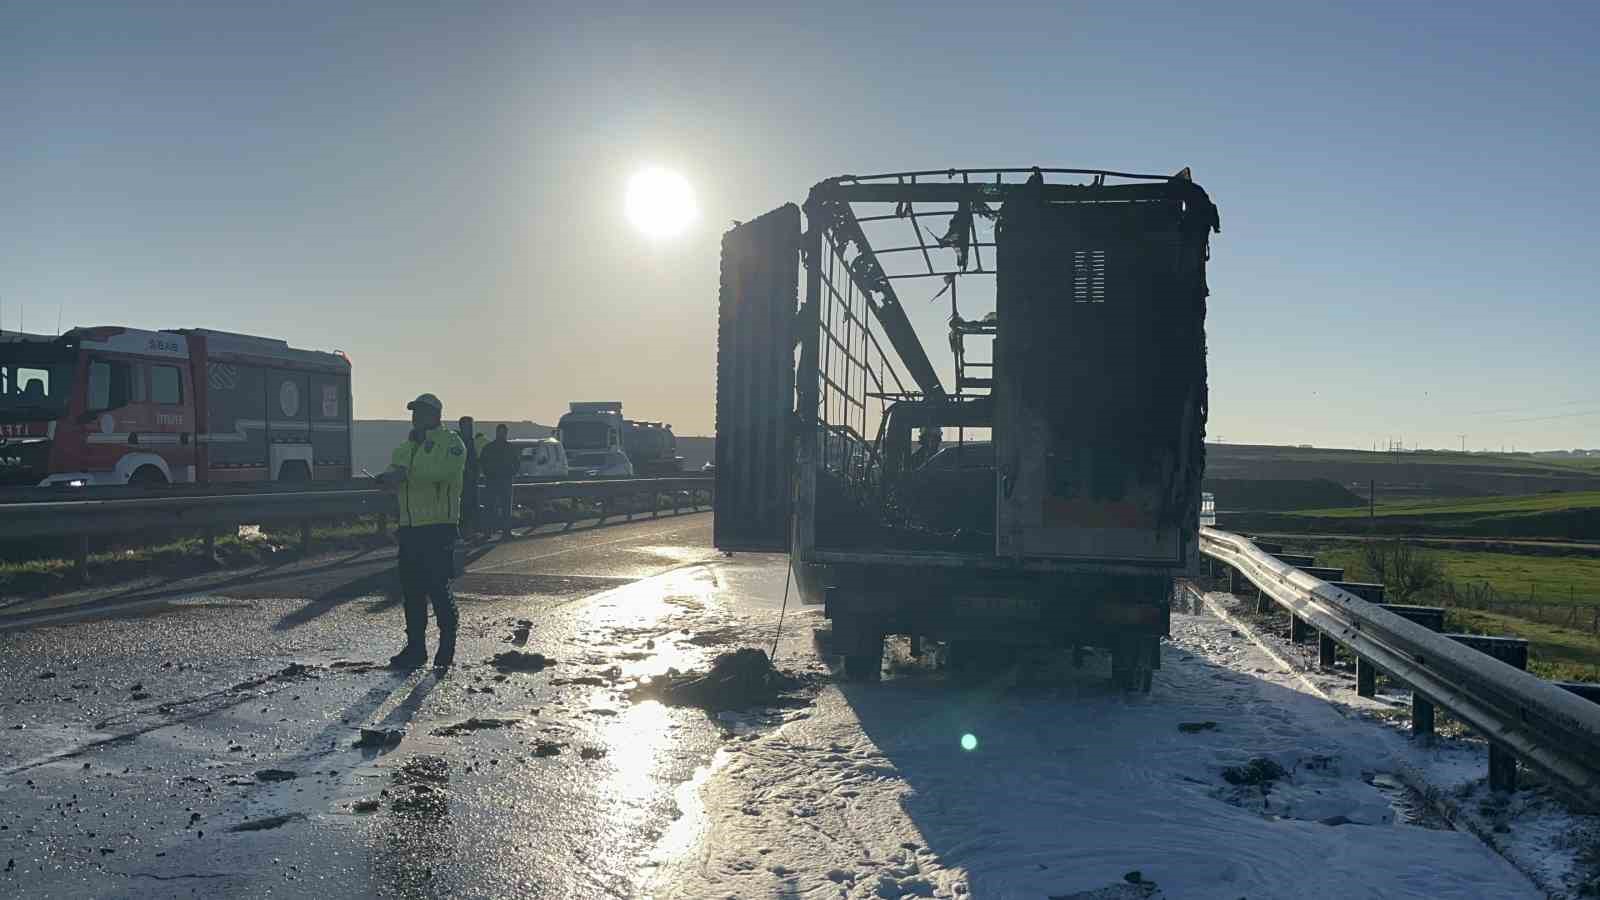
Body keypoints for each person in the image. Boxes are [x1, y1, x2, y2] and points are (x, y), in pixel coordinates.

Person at [376, 393, 466, 670]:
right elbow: (396, 470)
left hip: (439, 527)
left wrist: (405, 474)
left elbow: (442, 472)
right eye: (414, 412)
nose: (417, 417)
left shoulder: (451, 443)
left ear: (436, 415)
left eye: (422, 412)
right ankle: (416, 649)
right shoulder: (406, 446)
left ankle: (446, 646)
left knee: (437, 587)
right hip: (411, 527)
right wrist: (387, 479)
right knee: (412, 591)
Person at [479, 424, 520, 539]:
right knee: (491, 507)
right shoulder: (490, 447)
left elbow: (516, 464)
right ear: (497, 433)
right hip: (494, 481)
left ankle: (504, 532)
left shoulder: (507, 447)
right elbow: (483, 462)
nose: (502, 435)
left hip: (503, 481)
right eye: (501, 432)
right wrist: (489, 474)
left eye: (503, 432)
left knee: (504, 508)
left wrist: (510, 473)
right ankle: (489, 532)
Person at [457, 416, 484, 538]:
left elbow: (476, 459)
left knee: (472, 506)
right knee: (463, 508)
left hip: (472, 480)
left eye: (471, 426)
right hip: (461, 481)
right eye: (468, 426)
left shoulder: (472, 441)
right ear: (462, 426)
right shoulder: (457, 441)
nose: (470, 428)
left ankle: (471, 531)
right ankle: (464, 532)